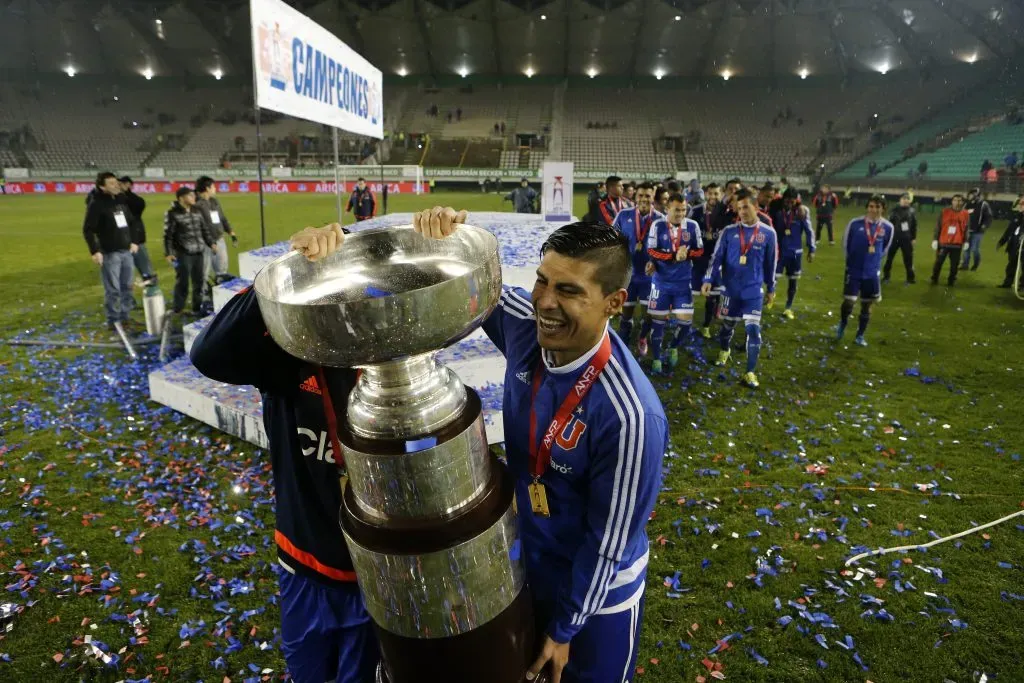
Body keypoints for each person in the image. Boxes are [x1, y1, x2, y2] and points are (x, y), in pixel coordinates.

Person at [412, 207, 667, 683]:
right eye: (542, 281)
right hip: (527, 563)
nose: (544, 302)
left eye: (569, 290)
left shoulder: (630, 417)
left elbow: (608, 544)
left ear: (614, 302)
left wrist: (567, 628)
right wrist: (445, 238)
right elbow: (472, 289)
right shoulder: (524, 325)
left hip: (596, 597)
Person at [190, 223, 380, 683]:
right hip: (306, 565)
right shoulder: (287, 357)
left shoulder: (389, 359)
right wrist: (283, 275)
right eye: (332, 282)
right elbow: (209, 355)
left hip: (378, 574)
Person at [701, 188, 778, 388]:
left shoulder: (768, 233)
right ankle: (724, 350)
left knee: (753, 330)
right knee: (728, 326)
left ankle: (750, 372)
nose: (742, 211)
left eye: (746, 207)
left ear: (755, 207)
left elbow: (771, 263)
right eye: (739, 208)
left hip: (753, 291)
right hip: (730, 289)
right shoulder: (729, 232)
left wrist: (771, 288)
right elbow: (716, 258)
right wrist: (709, 278)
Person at [645, 193, 703, 373]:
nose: (680, 213)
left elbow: (700, 250)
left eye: (684, 209)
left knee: (686, 324)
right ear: (667, 208)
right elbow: (651, 250)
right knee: (658, 324)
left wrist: (687, 255)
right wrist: (673, 256)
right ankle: (656, 358)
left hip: (682, 284)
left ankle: (673, 346)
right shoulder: (658, 225)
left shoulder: (693, 226)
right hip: (661, 283)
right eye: (676, 209)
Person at [83, 171, 138, 330]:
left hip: (126, 251)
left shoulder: (121, 201)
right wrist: (95, 251)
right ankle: (114, 321)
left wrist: (134, 241)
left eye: (116, 182)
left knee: (127, 287)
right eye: (112, 184)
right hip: (109, 252)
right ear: (102, 187)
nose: (116, 186)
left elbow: (132, 222)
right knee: (113, 289)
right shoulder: (96, 204)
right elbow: (88, 229)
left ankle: (125, 317)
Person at [837, 195, 894, 346]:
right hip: (854, 269)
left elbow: (885, 248)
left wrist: (873, 262)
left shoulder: (888, 227)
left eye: (877, 207)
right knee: (849, 302)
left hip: (871, 272)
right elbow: (845, 244)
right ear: (867, 208)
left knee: (867, 305)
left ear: (883, 209)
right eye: (871, 206)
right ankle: (842, 323)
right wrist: (851, 262)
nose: (873, 210)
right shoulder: (855, 223)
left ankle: (860, 335)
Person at [612, 182, 662, 354]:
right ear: (635, 197)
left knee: (648, 312)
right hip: (629, 275)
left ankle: (642, 337)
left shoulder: (661, 220)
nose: (644, 199)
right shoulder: (623, 215)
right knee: (627, 312)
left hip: (651, 277)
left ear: (653, 197)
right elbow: (612, 240)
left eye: (647, 196)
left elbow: (668, 247)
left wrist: (656, 262)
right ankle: (624, 342)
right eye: (640, 195)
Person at [164, 186, 216, 316]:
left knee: (199, 281)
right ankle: (178, 308)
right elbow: (168, 235)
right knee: (183, 282)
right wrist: (169, 252)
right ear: (181, 198)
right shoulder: (173, 213)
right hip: (183, 253)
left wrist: (211, 243)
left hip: (199, 252)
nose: (193, 197)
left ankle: (197, 308)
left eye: (193, 195)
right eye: (190, 195)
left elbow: (204, 229)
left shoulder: (197, 211)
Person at [770, 188, 815, 319]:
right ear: (783, 200)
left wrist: (811, 249)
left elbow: (809, 231)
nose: (789, 203)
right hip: (779, 251)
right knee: (773, 279)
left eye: (792, 200)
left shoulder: (801, 213)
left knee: (793, 281)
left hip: (795, 253)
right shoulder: (777, 212)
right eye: (787, 200)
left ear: (796, 201)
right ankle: (770, 297)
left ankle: (788, 308)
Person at [687, 183, 723, 338]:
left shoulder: (724, 213)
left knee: (712, 297)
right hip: (697, 260)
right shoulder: (695, 211)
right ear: (705, 194)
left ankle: (706, 326)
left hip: (715, 261)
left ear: (720, 195)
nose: (713, 197)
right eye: (710, 193)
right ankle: (686, 325)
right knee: (690, 295)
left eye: (716, 194)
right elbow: (686, 228)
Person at [195, 176, 237, 278]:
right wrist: (210, 242)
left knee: (222, 270)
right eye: (213, 186)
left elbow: (222, 218)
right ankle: (203, 292)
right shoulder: (196, 205)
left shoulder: (214, 201)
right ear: (207, 188)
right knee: (204, 272)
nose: (215, 189)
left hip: (219, 239)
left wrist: (230, 231)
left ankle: (220, 289)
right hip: (205, 244)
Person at [118, 176, 156, 284]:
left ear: (128, 185)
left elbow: (137, 209)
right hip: (120, 240)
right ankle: (128, 300)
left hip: (136, 238)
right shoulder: (114, 199)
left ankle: (152, 294)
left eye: (121, 183)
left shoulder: (135, 200)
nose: (118, 186)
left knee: (146, 269)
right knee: (124, 273)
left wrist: (123, 196)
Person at [931, 194, 969, 287]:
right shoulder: (945, 212)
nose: (957, 202)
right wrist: (935, 239)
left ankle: (951, 281)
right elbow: (938, 226)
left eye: (960, 200)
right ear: (952, 201)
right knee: (938, 262)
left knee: (954, 265)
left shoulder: (965, 214)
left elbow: (967, 228)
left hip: (957, 243)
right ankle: (934, 279)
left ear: (963, 202)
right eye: (955, 200)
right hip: (943, 242)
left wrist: (966, 241)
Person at [884, 193, 917, 284]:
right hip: (894, 238)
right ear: (900, 200)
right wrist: (887, 237)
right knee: (889, 259)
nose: (906, 200)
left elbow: (914, 225)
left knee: (908, 259)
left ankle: (910, 279)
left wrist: (913, 238)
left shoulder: (912, 211)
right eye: (904, 198)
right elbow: (888, 225)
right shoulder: (894, 210)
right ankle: (886, 277)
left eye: (908, 199)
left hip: (906, 239)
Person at [961, 188, 993, 271]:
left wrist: (984, 226)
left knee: (975, 249)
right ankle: (965, 265)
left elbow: (989, 217)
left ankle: (975, 264)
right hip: (967, 230)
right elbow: (962, 215)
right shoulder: (967, 204)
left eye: (972, 194)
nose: (970, 195)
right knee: (966, 248)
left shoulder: (983, 204)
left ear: (976, 195)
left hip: (978, 231)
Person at [997, 196, 1024, 288]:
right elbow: (1009, 230)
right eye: (1020, 204)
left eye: (1022, 204)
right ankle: (1008, 282)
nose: (1020, 206)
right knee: (1011, 265)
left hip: (1022, 246)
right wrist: (1002, 241)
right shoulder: (1017, 217)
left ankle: (1022, 284)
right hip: (1014, 245)